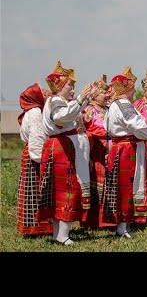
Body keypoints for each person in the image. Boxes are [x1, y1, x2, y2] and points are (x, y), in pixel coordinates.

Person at [104, 67, 147, 238]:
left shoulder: (114, 105)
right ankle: (122, 226)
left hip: (121, 147)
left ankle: (124, 224)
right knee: (127, 187)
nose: (134, 91)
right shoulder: (125, 105)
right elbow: (139, 126)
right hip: (128, 148)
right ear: (126, 90)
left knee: (123, 187)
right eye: (132, 88)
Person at [37, 61, 95, 245]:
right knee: (67, 190)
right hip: (62, 150)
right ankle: (62, 235)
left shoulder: (62, 102)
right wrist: (80, 99)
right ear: (60, 86)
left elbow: (70, 112)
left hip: (63, 148)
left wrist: (84, 99)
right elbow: (62, 118)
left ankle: (58, 234)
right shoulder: (55, 102)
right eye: (70, 85)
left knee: (62, 191)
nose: (72, 89)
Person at [17, 83, 54, 236]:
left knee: (32, 192)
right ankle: (37, 227)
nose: (46, 94)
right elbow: (37, 138)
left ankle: (33, 226)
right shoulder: (35, 113)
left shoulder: (32, 111)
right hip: (36, 157)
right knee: (37, 191)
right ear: (36, 96)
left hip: (31, 154)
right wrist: (42, 159)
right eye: (43, 92)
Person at [80, 74, 115, 229]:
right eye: (103, 93)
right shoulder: (88, 110)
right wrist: (109, 134)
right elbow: (91, 128)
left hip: (111, 151)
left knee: (110, 186)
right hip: (97, 153)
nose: (107, 95)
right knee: (97, 186)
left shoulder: (109, 109)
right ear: (94, 95)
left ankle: (109, 219)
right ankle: (93, 221)